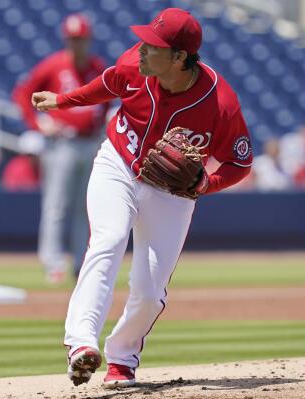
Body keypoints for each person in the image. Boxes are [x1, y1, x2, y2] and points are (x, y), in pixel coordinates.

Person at [31, 8, 253, 388]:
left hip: (172, 190)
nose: (143, 48)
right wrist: (63, 101)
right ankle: (81, 343)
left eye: (155, 45)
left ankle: (121, 359)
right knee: (109, 239)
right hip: (117, 162)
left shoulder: (221, 104)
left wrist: (205, 185)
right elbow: (107, 84)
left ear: (180, 57)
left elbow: (240, 161)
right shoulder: (135, 63)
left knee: (150, 291)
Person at [13, 13, 108, 283]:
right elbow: (23, 94)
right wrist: (37, 123)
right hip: (62, 143)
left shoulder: (96, 66)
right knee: (56, 205)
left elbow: (109, 98)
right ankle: (53, 263)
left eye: (81, 39)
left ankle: (81, 263)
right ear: (67, 40)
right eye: (73, 39)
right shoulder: (54, 65)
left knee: (85, 207)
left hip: (90, 141)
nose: (77, 44)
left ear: (88, 39)